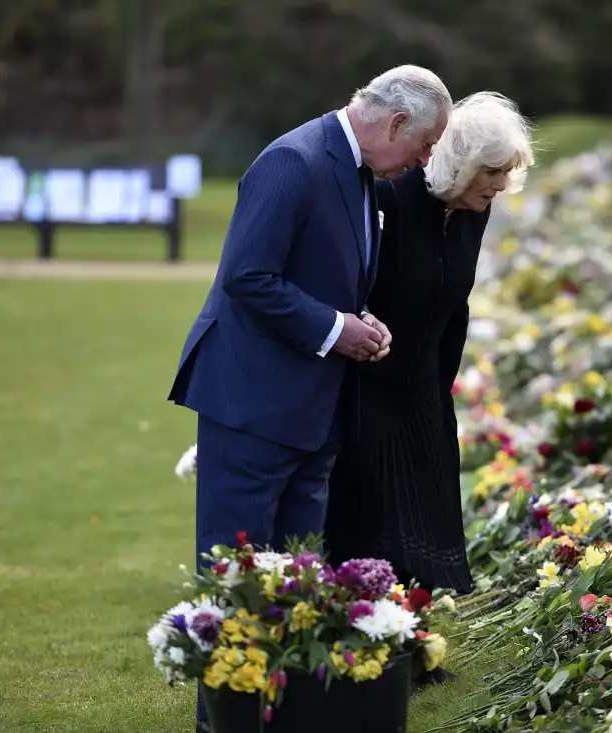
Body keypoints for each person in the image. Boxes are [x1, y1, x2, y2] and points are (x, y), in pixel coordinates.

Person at [167, 65, 451, 732]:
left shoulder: (360, 172)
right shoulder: (292, 162)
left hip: (312, 409)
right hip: (252, 403)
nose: (427, 158)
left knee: (295, 575)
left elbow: (324, 272)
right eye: (426, 141)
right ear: (394, 123)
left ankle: (285, 710)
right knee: (236, 574)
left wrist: (360, 321)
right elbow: (247, 275)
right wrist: (334, 329)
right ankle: (225, 722)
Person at [324, 92, 535, 682]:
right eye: (491, 171)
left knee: (421, 519)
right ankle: (361, 650)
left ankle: (406, 643)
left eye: (506, 173)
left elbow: (456, 305)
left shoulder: (473, 210)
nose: (498, 185)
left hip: (423, 391)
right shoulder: (390, 196)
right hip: (367, 387)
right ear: (461, 162)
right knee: (368, 520)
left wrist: (439, 386)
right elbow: (352, 292)